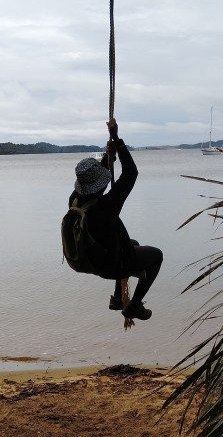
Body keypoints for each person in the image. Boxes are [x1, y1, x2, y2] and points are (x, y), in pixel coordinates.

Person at [68, 119, 163, 320]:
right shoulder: (104, 208)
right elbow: (131, 173)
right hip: (107, 266)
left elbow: (97, 184)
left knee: (132, 244)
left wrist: (108, 157)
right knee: (156, 256)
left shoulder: (76, 200)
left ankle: (118, 298)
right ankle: (134, 306)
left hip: (87, 260)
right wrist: (118, 140)